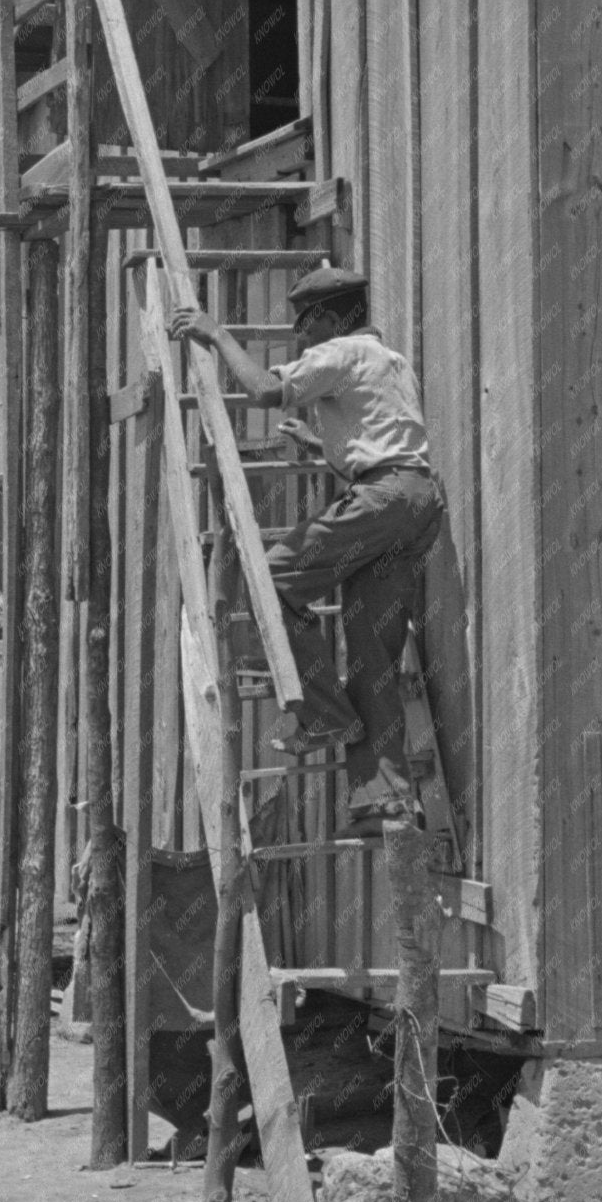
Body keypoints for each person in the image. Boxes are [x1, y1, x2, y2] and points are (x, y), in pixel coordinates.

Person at [169, 266, 444, 833]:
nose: (301, 337)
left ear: (328, 318)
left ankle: (321, 716)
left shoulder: (340, 352)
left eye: (304, 324)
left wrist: (216, 334)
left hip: (383, 499)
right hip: (417, 503)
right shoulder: (389, 361)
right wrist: (322, 443)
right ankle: (386, 802)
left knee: (270, 581)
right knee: (373, 655)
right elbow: (386, 441)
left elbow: (267, 390)